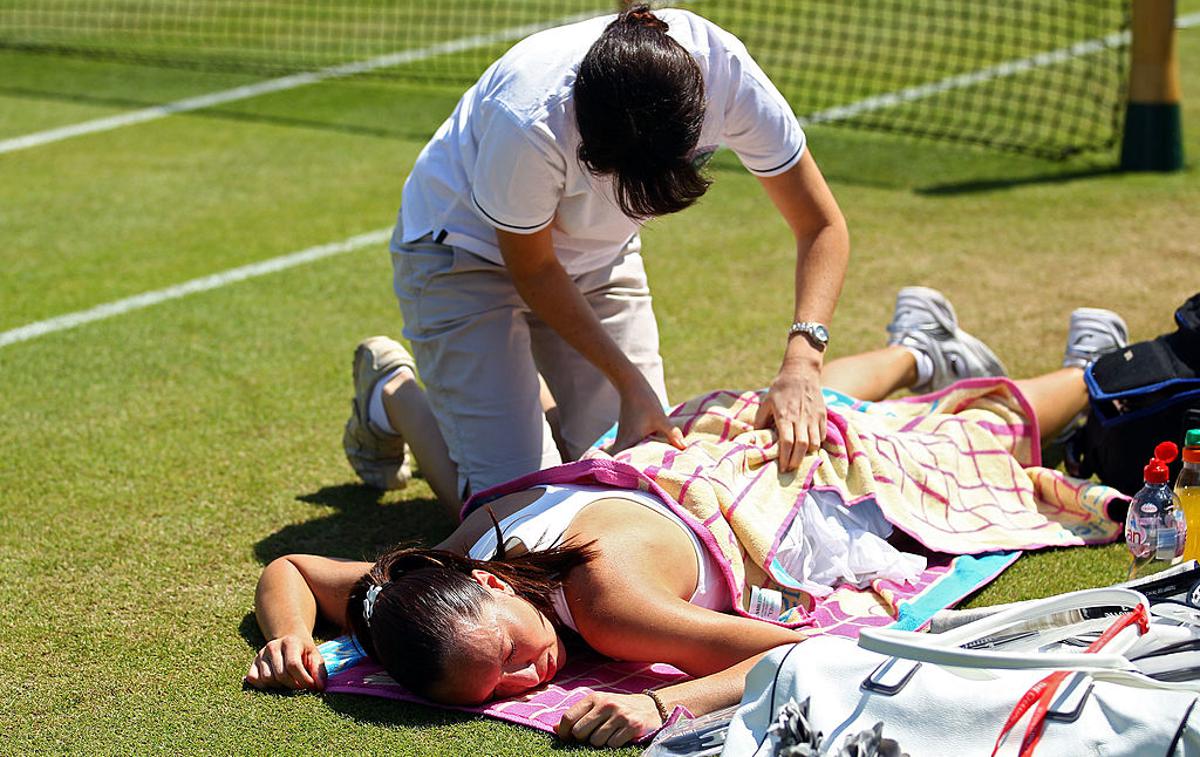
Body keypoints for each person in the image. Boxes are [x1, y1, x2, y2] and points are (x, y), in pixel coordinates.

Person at [247, 289, 1129, 747]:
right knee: (784, 405)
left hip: (761, 489)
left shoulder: (609, 607)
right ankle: (917, 344)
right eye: (502, 687)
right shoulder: (430, 570)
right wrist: (290, 635)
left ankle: (1097, 375)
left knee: (944, 453)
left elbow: (804, 652)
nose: (533, 679)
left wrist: (662, 703)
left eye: (514, 654)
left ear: (485, 582)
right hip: (683, 449)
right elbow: (289, 572)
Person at [344, 4, 852, 508]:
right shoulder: (529, 120)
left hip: (598, 258)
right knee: (519, 511)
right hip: (464, 254)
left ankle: (516, 402)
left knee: (633, 480)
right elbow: (535, 268)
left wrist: (804, 362)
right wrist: (629, 383)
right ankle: (393, 393)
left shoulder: (728, 77)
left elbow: (821, 224)